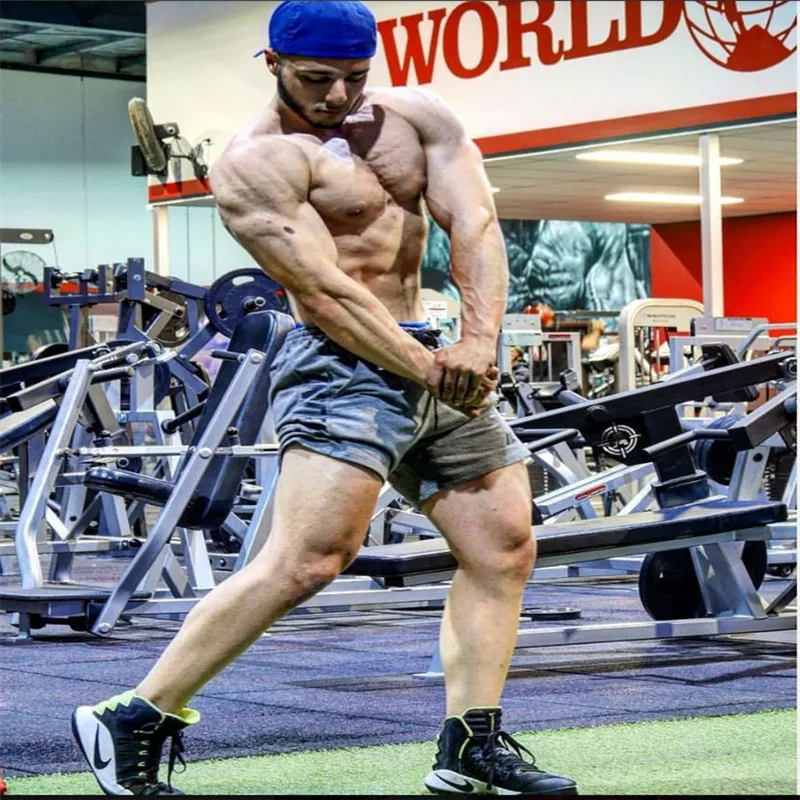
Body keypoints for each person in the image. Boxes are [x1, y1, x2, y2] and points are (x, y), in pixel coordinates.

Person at [71, 2, 578, 796]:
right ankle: (135, 715)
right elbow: (325, 292)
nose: (337, 95)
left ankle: (470, 744)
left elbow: (476, 224)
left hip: (439, 355)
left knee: (504, 547)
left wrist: (479, 342)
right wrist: (428, 367)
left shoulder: (421, 118)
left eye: (354, 77)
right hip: (342, 364)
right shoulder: (255, 162)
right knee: (310, 560)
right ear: (272, 62)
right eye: (316, 78)